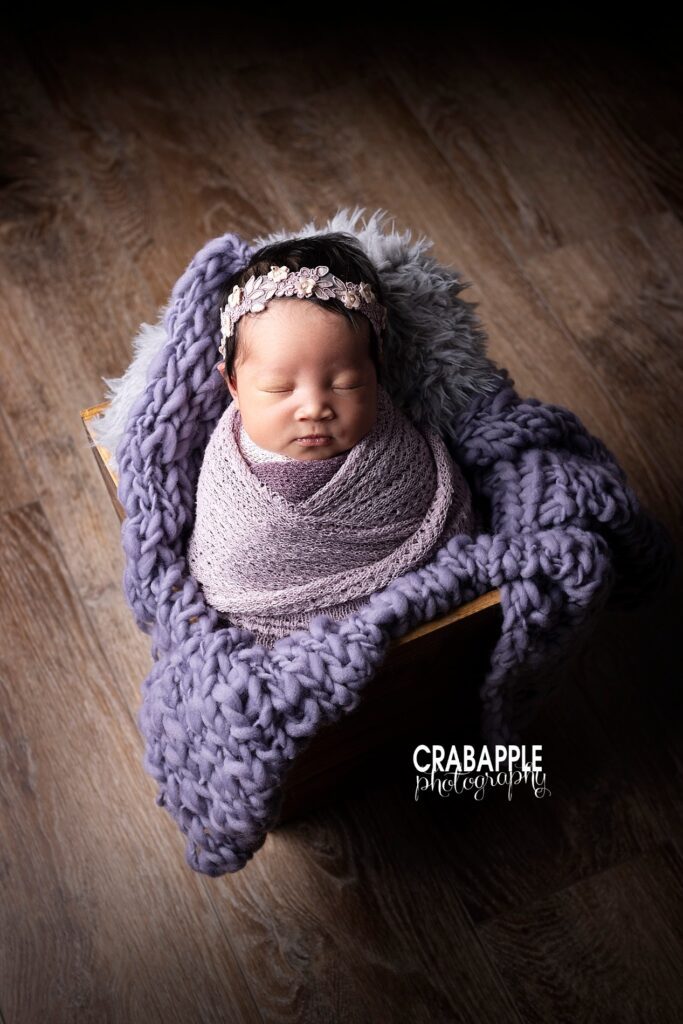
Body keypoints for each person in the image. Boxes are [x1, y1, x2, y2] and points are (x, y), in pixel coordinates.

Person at [186, 231, 476, 646]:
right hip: (273, 636)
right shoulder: (228, 476)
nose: (314, 408)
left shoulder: (396, 450)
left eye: (345, 384)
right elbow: (223, 569)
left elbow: (448, 530)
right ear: (233, 384)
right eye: (279, 389)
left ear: (376, 374)